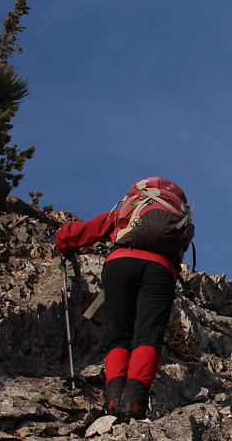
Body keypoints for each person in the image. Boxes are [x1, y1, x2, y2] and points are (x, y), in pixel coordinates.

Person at [54, 177, 194, 421]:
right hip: (160, 270)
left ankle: (113, 400)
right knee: (148, 335)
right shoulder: (180, 219)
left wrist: (63, 240)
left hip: (121, 263)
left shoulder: (129, 209)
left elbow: (89, 230)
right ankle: (135, 403)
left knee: (119, 333)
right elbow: (181, 249)